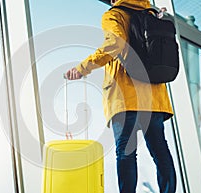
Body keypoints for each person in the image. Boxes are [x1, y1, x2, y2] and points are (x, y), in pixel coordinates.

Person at [65, 0, 176, 192]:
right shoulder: (152, 14)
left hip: (126, 95)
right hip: (154, 96)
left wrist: (82, 68)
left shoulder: (114, 15)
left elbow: (115, 43)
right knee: (160, 152)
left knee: (126, 152)